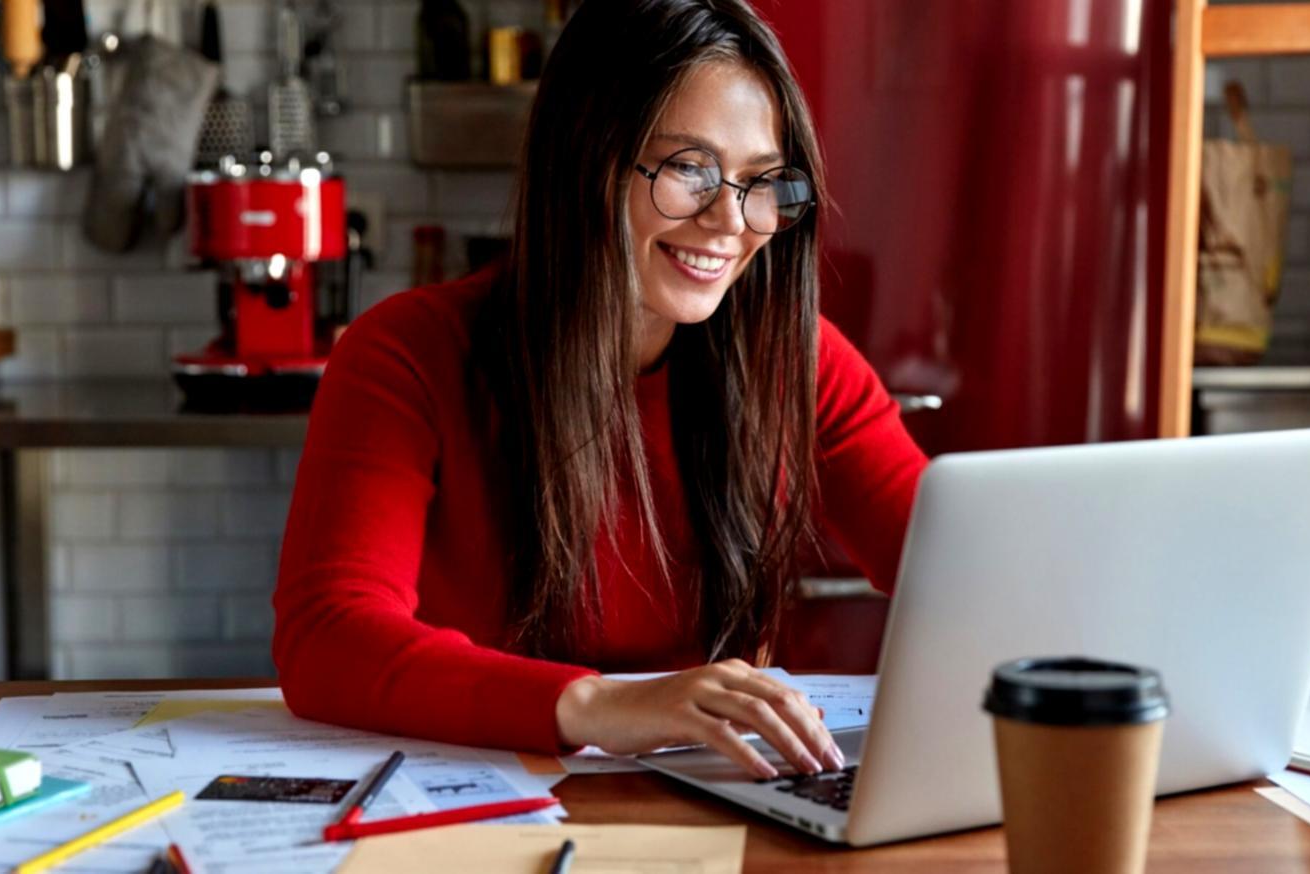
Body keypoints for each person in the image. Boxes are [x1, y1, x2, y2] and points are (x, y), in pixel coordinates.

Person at [272, 0, 928, 781]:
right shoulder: (409, 354)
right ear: (586, 161)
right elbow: (328, 639)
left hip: (716, 791)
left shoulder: (797, 357)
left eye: (761, 182)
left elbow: (956, 567)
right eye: (689, 169)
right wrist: (598, 708)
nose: (732, 220)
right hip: (475, 795)